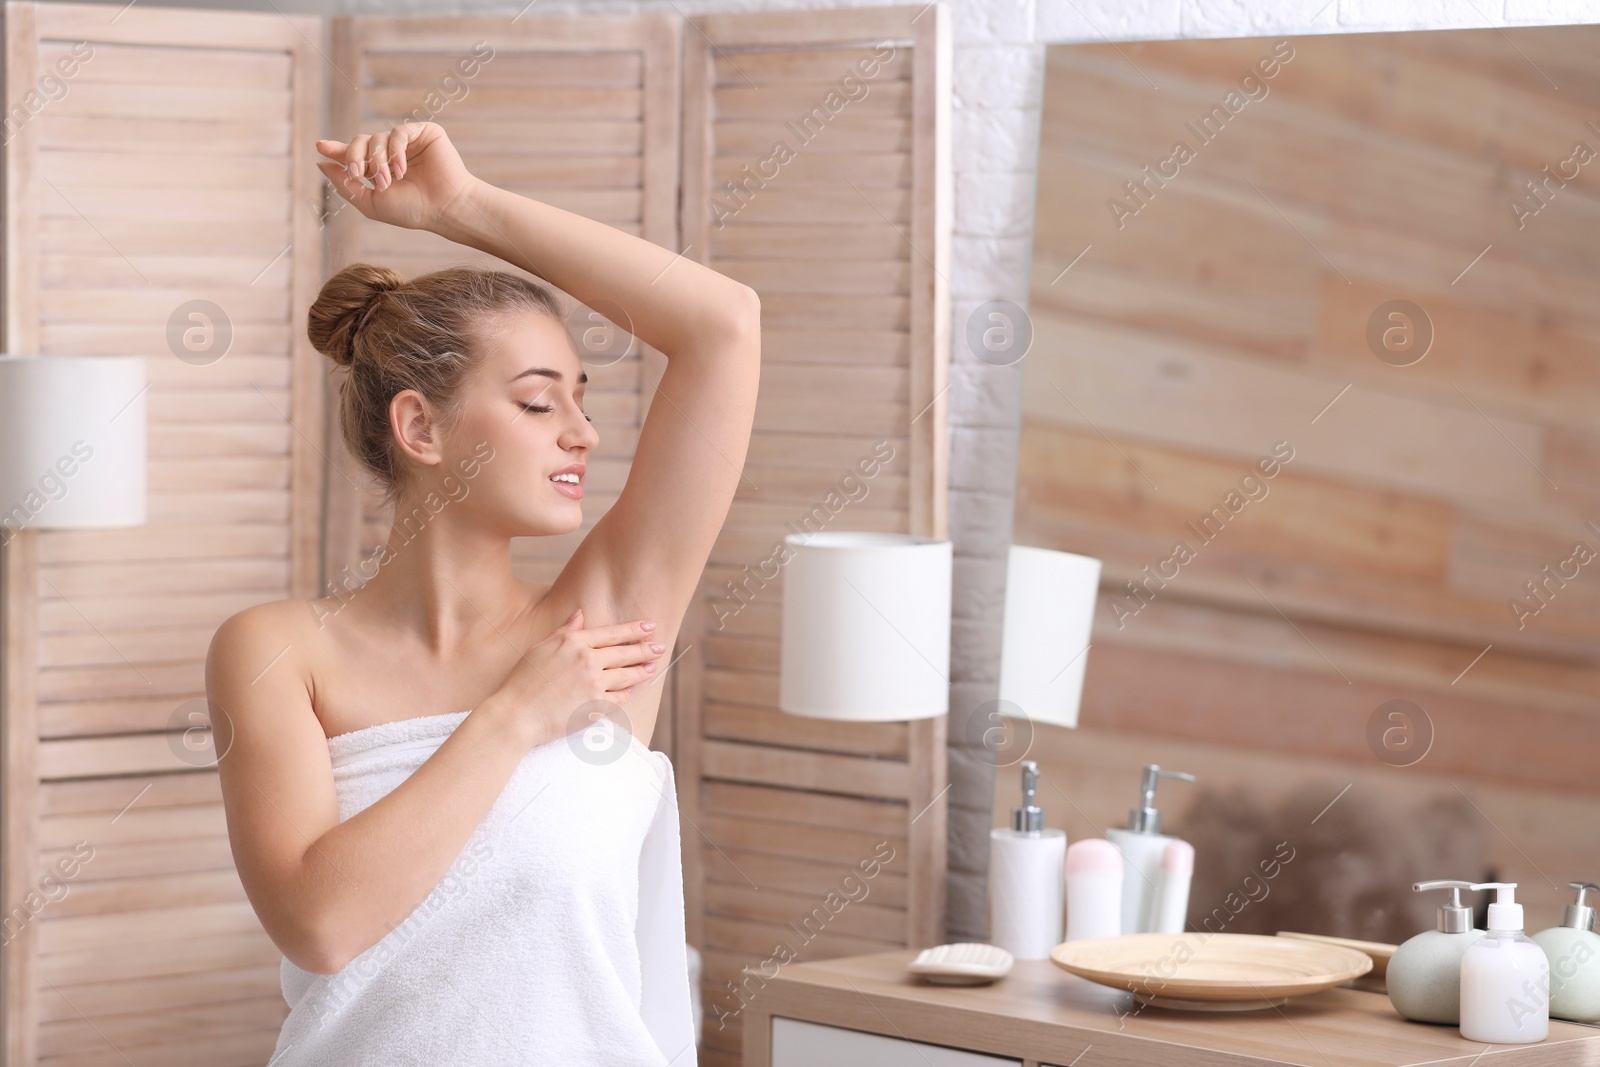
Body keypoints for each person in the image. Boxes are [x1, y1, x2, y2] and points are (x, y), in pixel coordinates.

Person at [204, 121, 759, 1065]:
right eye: (541, 402)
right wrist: (511, 716)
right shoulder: (279, 651)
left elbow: (723, 325)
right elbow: (321, 922)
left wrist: (462, 208)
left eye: (582, 398)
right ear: (420, 427)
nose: (581, 432)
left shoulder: (607, 617)